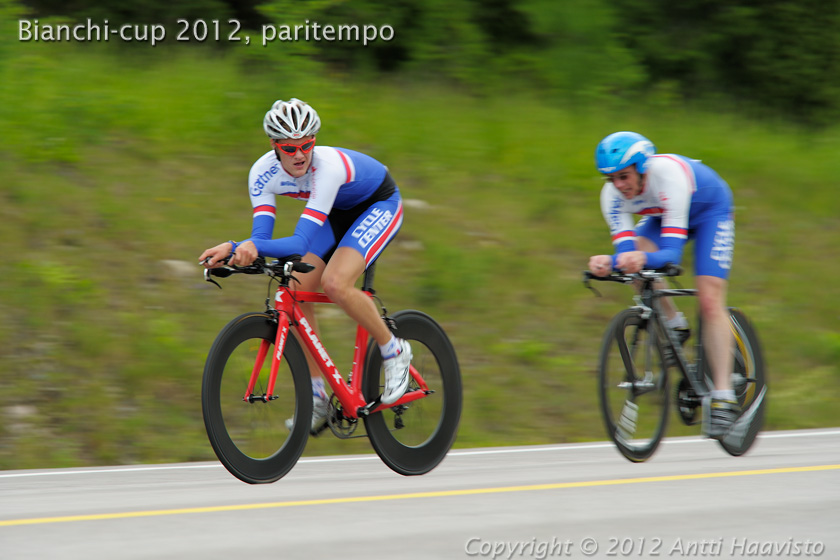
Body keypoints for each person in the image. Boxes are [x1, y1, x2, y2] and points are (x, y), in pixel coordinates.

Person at [199, 98, 411, 434]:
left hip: (377, 204)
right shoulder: (261, 173)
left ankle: (395, 350)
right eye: (289, 147)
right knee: (295, 290)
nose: (299, 155)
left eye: (306, 145)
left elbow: (297, 244)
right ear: (274, 146)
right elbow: (261, 237)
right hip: (334, 214)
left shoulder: (326, 168)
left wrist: (238, 246)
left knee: (336, 283)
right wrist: (241, 252)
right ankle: (317, 398)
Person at [588, 131, 737, 439]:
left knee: (709, 300)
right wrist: (608, 263)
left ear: (643, 169)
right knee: (634, 271)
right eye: (610, 179)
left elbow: (671, 254)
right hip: (664, 216)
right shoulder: (612, 197)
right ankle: (674, 324)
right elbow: (627, 253)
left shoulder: (668, 177)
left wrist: (631, 258)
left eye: (624, 176)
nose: (618, 185)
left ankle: (724, 396)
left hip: (711, 212)